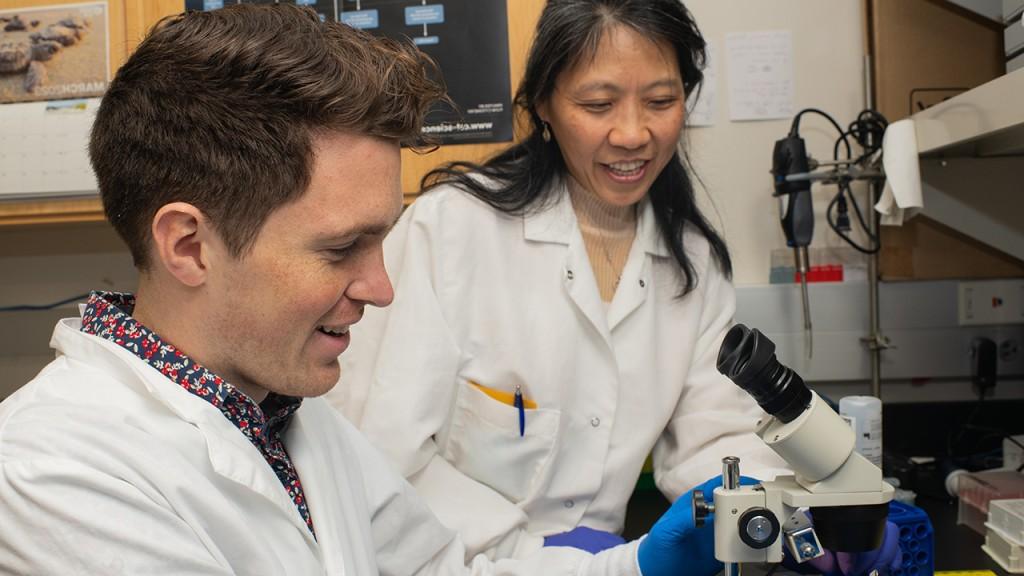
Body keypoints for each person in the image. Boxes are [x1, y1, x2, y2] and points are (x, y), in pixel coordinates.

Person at [0, 4, 746, 576]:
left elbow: (446, 570)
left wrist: (635, 565)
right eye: (339, 248)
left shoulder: (294, 422)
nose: (384, 288)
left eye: (380, 239)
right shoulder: (53, 472)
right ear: (189, 246)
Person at [328, 1, 900, 574]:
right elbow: (381, 451)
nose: (632, 134)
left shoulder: (692, 263)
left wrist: (803, 513)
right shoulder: (450, 231)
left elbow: (715, 438)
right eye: (597, 104)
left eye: (660, 101)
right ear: (544, 105)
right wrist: (535, 552)